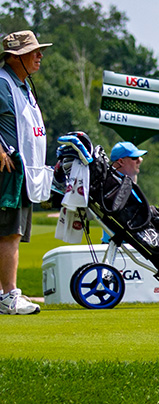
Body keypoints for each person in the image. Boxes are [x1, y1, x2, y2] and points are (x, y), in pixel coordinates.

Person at [0, 30, 53, 315]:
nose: (40, 56)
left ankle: (4, 293)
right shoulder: (2, 83)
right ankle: (9, 295)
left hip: (24, 171)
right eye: (34, 51)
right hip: (8, 172)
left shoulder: (22, 86)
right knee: (9, 233)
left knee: (11, 233)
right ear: (16, 56)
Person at [104, 141, 148, 243]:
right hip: (123, 247)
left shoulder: (115, 182)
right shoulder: (117, 187)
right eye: (134, 158)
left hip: (120, 245)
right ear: (121, 161)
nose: (140, 160)